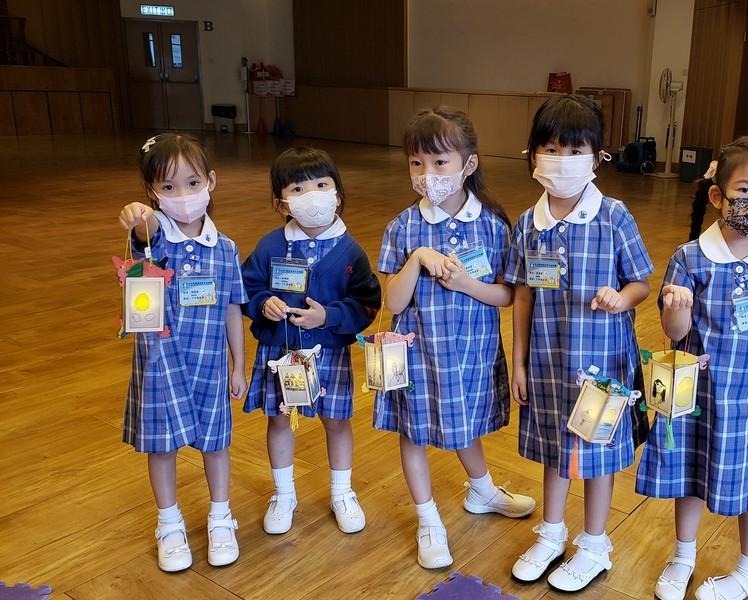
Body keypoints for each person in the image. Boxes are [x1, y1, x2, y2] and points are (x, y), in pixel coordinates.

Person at [637, 136, 748, 600]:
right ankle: (683, 555)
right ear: (718, 195)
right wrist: (677, 307)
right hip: (695, 392)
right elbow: (674, 333)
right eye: (745, 191)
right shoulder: (690, 258)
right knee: (690, 473)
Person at [375, 107, 536, 569]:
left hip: (470, 352)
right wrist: (417, 259)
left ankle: (481, 491)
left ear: (469, 164)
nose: (427, 173)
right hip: (417, 354)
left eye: (440, 162)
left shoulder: (492, 225)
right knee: (412, 432)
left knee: (462, 421)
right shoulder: (403, 227)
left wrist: (466, 283)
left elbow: (507, 295)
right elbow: (394, 301)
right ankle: (428, 520)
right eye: (417, 162)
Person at [506, 95, 653, 592]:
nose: (562, 161)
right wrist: (519, 362)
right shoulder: (528, 224)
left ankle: (594, 545)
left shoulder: (614, 216)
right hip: (547, 360)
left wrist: (621, 298)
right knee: (555, 448)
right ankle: (551, 534)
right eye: (551, 149)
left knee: (597, 453)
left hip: (602, 363)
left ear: (596, 156)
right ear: (533, 154)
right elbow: (522, 295)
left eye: (574, 151)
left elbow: (641, 283)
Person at [116, 133, 248, 572]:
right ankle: (169, 523)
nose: (184, 195)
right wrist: (139, 216)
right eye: (168, 187)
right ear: (152, 191)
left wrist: (239, 365)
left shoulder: (225, 248)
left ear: (211, 181)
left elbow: (232, 308)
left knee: (216, 443)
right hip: (160, 363)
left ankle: (220, 516)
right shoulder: (155, 242)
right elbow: (143, 230)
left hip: (210, 363)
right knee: (162, 446)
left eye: (193, 183)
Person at [241, 147, 381, 537]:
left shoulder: (350, 251)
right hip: (280, 353)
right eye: (299, 189)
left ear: (337, 192)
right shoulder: (270, 246)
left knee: (336, 420)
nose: (313, 195)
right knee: (278, 418)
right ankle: (283, 494)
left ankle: (342, 492)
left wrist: (329, 317)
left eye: (322, 185)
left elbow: (368, 303)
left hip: (328, 352)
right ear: (281, 203)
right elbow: (246, 287)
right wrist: (262, 303)